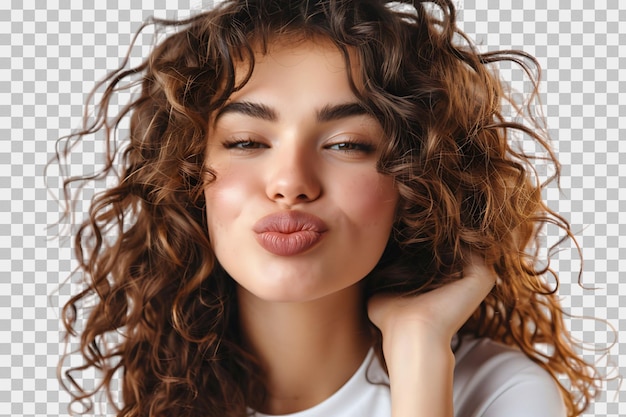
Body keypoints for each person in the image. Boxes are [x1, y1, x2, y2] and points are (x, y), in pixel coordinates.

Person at [55, 1, 603, 416]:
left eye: (347, 144)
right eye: (246, 141)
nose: (291, 184)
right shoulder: (132, 391)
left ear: (419, 182)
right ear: (188, 175)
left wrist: (418, 350)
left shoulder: (498, 393)